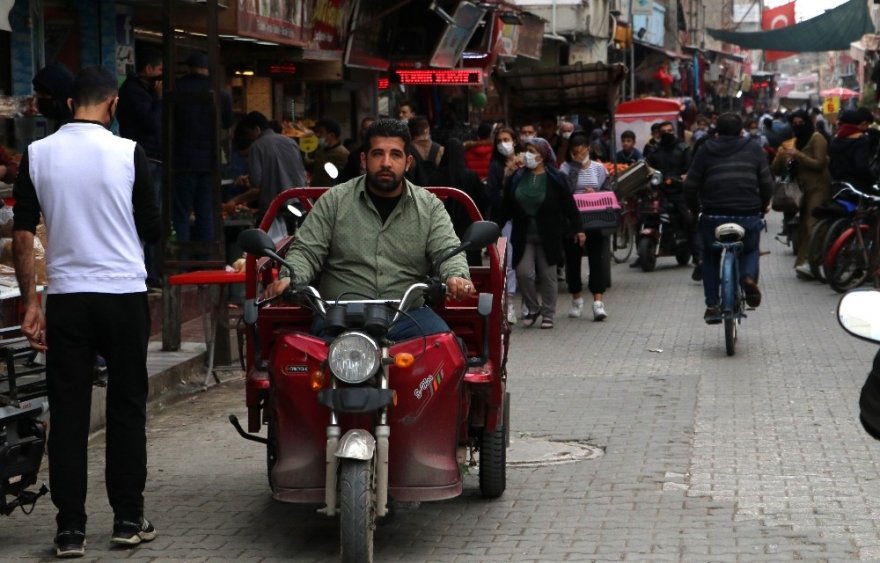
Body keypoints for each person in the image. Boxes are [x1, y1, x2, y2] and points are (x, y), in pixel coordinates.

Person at [11, 66, 161, 558]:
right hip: (122, 296)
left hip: (68, 300)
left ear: (70, 104)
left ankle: (69, 530)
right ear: (113, 104)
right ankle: (127, 518)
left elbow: (23, 233)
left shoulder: (37, 154)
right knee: (126, 409)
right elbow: (153, 227)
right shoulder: (128, 152)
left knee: (70, 415)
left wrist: (32, 301)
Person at [262, 118, 474, 340]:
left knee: (445, 351)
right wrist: (290, 278)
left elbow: (447, 249)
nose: (386, 163)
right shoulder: (334, 201)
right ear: (364, 160)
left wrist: (456, 277)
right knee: (302, 362)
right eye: (377, 154)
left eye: (395, 154)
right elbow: (307, 250)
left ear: (408, 162)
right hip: (339, 317)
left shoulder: (429, 207)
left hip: (407, 316)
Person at [684, 112, 772, 324]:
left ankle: (713, 305)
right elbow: (767, 183)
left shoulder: (705, 150)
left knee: (711, 256)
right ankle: (748, 278)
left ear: (717, 132)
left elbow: (691, 185)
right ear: (741, 130)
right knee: (750, 249)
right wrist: (762, 206)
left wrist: (694, 209)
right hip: (747, 215)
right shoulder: (754, 148)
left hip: (713, 216)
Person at [495, 137, 585, 330]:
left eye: (533, 151)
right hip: (523, 234)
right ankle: (533, 307)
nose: (528, 155)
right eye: (527, 150)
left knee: (548, 275)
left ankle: (548, 313)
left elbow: (569, 205)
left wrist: (578, 229)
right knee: (523, 273)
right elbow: (505, 208)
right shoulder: (517, 177)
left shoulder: (556, 178)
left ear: (543, 156)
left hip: (549, 234)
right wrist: (494, 230)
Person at [172, 52, 233, 244]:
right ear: (208, 69)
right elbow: (227, 122)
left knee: (181, 213)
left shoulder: (176, 88)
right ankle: (205, 262)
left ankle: (181, 259)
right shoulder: (220, 93)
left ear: (189, 67)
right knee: (205, 212)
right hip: (210, 161)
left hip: (180, 160)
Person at [117, 47, 164, 287]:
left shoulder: (139, 90)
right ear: (148, 70)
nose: (161, 78)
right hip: (146, 158)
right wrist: (157, 100)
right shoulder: (134, 92)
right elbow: (151, 123)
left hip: (152, 157)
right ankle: (149, 271)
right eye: (159, 71)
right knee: (147, 213)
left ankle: (153, 270)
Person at [222, 111, 306, 241]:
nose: (249, 138)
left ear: (256, 129)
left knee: (274, 252)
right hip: (301, 204)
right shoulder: (290, 142)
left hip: (277, 212)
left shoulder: (257, 146)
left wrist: (233, 201)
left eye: (249, 134)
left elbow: (258, 189)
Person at [771, 109, 831, 279]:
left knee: (812, 225)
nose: (798, 126)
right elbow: (776, 168)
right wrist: (784, 156)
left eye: (800, 123)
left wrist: (798, 155)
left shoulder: (817, 138)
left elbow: (819, 163)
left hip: (818, 187)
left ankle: (816, 263)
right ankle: (803, 263)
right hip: (802, 189)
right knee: (804, 226)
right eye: (794, 123)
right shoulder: (792, 142)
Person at [559, 133, 610, 321]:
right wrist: (575, 168)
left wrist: (595, 193)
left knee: (597, 260)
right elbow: (563, 193)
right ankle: (576, 298)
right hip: (572, 221)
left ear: (588, 148)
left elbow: (608, 190)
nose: (579, 155)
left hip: (595, 220)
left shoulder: (598, 168)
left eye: (581, 151)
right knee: (572, 261)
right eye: (575, 152)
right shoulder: (565, 169)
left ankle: (598, 302)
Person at [486, 126, 522, 324]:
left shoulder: (524, 161)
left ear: (514, 141)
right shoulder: (496, 166)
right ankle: (509, 304)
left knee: (526, 264)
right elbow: (491, 193)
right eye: (499, 140)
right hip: (505, 219)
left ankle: (529, 304)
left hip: (525, 219)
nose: (503, 144)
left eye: (507, 139)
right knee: (508, 263)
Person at [438, 138, 488, 266]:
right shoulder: (471, 176)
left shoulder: (435, 176)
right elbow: (483, 202)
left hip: (441, 233)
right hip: (469, 234)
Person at [828, 108, 876, 192]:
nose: (867, 128)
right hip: (856, 187)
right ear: (864, 123)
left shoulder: (835, 137)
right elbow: (861, 167)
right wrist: (873, 179)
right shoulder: (861, 140)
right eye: (867, 125)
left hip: (837, 184)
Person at [31, 61, 75, 130]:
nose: (36, 102)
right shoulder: (62, 124)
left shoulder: (74, 129)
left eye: (44, 95)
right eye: (37, 95)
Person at [306, 117, 349, 187]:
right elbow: (315, 167)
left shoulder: (343, 154)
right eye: (317, 132)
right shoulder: (320, 151)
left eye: (321, 132)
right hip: (316, 194)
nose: (318, 135)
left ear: (332, 135)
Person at [407, 116, 444, 186]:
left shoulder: (407, 151)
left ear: (409, 131)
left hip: (415, 194)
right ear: (426, 130)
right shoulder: (441, 150)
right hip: (437, 194)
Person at [338, 115, 375, 183]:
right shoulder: (354, 155)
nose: (367, 132)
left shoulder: (384, 153)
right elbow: (345, 179)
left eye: (370, 129)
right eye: (365, 129)